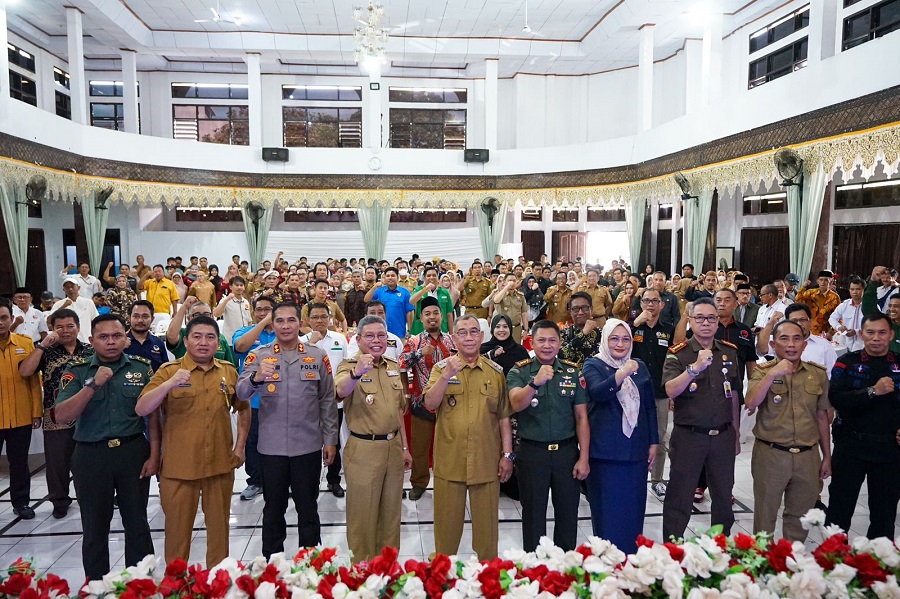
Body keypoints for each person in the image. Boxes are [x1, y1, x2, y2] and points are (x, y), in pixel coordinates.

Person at [136, 316, 250, 567]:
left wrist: (240, 447)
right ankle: (176, 587)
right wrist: (168, 385)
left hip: (219, 465)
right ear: (185, 341)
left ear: (217, 343)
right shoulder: (169, 371)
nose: (203, 342)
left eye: (210, 337)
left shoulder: (228, 372)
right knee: (177, 534)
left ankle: (218, 584)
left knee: (220, 533)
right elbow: (143, 408)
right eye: (197, 337)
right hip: (179, 467)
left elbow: (243, 408)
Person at [53, 314, 159, 580]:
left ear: (126, 338)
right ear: (91, 340)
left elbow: (155, 416)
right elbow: (62, 416)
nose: (111, 342)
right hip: (91, 455)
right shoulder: (76, 370)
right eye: (103, 337)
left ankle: (140, 584)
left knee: (137, 524)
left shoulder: (142, 367)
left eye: (116, 336)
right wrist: (93, 384)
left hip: (132, 452)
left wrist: (155, 454)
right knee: (94, 528)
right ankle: (96, 586)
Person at [236, 303, 338, 558]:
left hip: (308, 445)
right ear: (272, 324)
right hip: (271, 448)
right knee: (273, 509)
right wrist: (256, 378)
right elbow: (241, 393)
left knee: (308, 508)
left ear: (299, 323)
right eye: (279, 321)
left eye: (291, 320)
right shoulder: (258, 355)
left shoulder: (316, 356)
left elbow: (327, 399)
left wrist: (330, 439)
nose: (285, 326)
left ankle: (312, 561)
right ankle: (272, 561)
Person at [424, 314, 513, 561]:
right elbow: (430, 403)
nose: (469, 337)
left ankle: (487, 580)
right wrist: (445, 376)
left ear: (482, 337)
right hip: (450, 462)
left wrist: (507, 455)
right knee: (446, 533)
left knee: (487, 535)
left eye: (474, 332)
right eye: (462, 333)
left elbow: (504, 416)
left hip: (486, 462)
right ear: (454, 338)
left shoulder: (495, 373)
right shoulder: (441, 369)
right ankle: (442, 578)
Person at [661, 298, 741, 540]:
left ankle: (721, 546)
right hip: (689, 436)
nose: (706, 323)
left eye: (711, 318)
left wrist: (735, 434)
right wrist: (694, 368)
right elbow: (670, 390)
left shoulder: (729, 351)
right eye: (700, 318)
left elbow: (734, 395)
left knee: (723, 497)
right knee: (680, 495)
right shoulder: (679, 352)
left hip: (723, 436)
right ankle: (672, 549)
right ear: (691, 321)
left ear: (718, 322)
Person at [334, 315, 412, 563]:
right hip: (363, 449)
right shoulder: (348, 366)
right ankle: (361, 569)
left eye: (381, 336)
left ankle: (387, 567)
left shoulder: (391, 366)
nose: (376, 341)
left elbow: (398, 411)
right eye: (370, 336)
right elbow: (339, 391)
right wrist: (357, 373)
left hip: (393, 448)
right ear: (358, 340)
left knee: (391, 515)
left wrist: (405, 447)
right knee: (363, 516)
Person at [744, 320, 831, 542]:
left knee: (799, 518)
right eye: (784, 339)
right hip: (771, 454)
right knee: (765, 518)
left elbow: (822, 417)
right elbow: (751, 403)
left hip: (807, 456)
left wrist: (827, 456)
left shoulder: (817, 374)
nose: (791, 344)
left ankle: (791, 566)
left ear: (804, 344)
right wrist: (773, 373)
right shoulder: (763, 371)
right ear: (773, 344)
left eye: (797, 338)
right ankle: (762, 568)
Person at [507, 320, 589, 551]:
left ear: (560, 343)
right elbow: (515, 403)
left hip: (567, 453)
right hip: (532, 454)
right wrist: (535, 382)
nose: (547, 345)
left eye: (552, 340)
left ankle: (565, 568)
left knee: (567, 514)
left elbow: (582, 417)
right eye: (541, 340)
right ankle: (534, 569)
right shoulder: (520, 371)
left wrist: (584, 458)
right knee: (533, 515)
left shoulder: (573, 372)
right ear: (532, 342)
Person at [582, 319, 659, 554]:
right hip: (605, 453)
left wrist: (654, 441)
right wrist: (621, 373)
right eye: (614, 338)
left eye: (625, 339)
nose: (620, 344)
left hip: (635, 452)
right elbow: (598, 393)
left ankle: (631, 563)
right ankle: (606, 562)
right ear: (605, 340)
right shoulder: (592, 364)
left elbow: (649, 407)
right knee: (607, 513)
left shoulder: (640, 366)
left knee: (632, 511)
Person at [826, 312, 900, 539]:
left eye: (881, 333)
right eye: (870, 332)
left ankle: (876, 568)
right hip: (850, 445)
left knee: (884, 514)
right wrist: (872, 391)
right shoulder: (847, 362)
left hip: (889, 449)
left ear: (891, 335)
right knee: (839, 510)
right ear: (861, 334)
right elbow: (836, 399)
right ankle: (832, 565)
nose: (876, 338)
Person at [17, 309, 94, 519]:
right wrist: (41, 346)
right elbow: (25, 371)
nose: (65, 331)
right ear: (52, 328)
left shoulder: (90, 351)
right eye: (59, 327)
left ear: (78, 327)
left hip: (88, 416)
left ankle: (90, 499)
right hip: (55, 417)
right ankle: (59, 501)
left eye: (70, 326)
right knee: (57, 464)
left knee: (89, 461)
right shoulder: (46, 351)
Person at [400, 297, 456, 502]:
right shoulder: (414, 341)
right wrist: (418, 354)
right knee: (420, 447)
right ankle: (419, 483)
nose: (432, 317)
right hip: (420, 403)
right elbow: (401, 363)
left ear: (441, 316)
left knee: (448, 446)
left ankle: (448, 481)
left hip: (450, 404)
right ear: (421, 318)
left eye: (435, 313)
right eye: (427, 314)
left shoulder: (452, 340)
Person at [629, 288, 676, 499]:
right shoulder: (632, 328)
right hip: (633, 392)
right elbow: (616, 346)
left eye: (654, 301)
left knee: (659, 436)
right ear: (641, 304)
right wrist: (635, 324)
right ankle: (634, 476)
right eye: (646, 300)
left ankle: (657, 480)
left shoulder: (669, 330)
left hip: (660, 391)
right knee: (632, 434)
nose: (650, 304)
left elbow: (676, 363)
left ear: (662, 304)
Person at [0, 302, 45, 521]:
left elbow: (34, 381)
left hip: (21, 415)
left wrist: (36, 410)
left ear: (11, 318)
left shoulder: (25, 343)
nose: (0, 323)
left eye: (3, 317)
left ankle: (21, 503)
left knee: (19, 462)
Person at [232, 295, 277, 501]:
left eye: (268, 309)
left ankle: (278, 481)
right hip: (252, 400)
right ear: (253, 311)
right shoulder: (244, 332)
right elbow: (241, 347)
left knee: (277, 441)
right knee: (253, 442)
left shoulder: (283, 332)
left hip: (279, 399)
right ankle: (255, 482)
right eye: (259, 309)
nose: (263, 312)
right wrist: (263, 323)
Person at [166, 296, 237, 365]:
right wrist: (184, 307)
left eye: (206, 314)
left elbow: (230, 367)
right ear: (188, 318)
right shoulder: (183, 334)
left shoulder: (220, 338)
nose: (202, 318)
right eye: (197, 315)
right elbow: (171, 336)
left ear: (212, 316)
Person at [364, 268, 414, 338]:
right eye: (388, 276)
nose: (390, 278)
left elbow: (409, 312)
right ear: (384, 278)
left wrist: (409, 330)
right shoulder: (379, 291)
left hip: (399, 332)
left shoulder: (405, 292)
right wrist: (374, 287)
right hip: (381, 332)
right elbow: (366, 300)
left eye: (393, 275)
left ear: (398, 277)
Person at [50, 278, 99, 343]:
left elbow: (96, 320)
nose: (70, 289)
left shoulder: (88, 302)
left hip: (85, 340)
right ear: (63, 290)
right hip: (64, 341)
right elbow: (50, 320)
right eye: (67, 287)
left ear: (78, 287)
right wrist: (63, 307)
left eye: (72, 286)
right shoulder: (58, 304)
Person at [409, 267, 455, 335]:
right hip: (421, 330)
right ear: (424, 278)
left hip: (441, 329)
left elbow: (449, 314)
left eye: (434, 275)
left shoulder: (444, 292)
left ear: (437, 277)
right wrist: (425, 289)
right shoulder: (419, 289)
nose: (431, 277)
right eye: (428, 276)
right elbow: (411, 301)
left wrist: (451, 333)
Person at [559, 292, 600, 367]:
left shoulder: (602, 334)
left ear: (591, 309)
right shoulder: (564, 334)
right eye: (576, 309)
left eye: (584, 308)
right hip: (571, 376)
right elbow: (562, 355)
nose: (580, 312)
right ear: (570, 311)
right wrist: (583, 333)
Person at [795, 270, 841, 336]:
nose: (823, 282)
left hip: (825, 333)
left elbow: (839, 317)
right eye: (821, 280)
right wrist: (803, 287)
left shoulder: (834, 297)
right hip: (810, 331)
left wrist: (831, 333)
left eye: (826, 280)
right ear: (817, 281)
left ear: (831, 281)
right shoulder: (810, 293)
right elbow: (798, 300)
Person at [125, 301, 167, 371]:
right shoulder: (120, 342)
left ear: (152, 319)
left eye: (145, 316)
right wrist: (119, 349)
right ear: (129, 318)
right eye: (136, 316)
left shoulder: (158, 343)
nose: (140, 320)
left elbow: (166, 371)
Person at [829, 276, 866, 353]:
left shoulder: (870, 306)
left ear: (863, 290)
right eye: (852, 289)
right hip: (845, 345)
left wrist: (856, 332)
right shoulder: (844, 305)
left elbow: (875, 327)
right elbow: (832, 318)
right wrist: (839, 327)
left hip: (863, 346)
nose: (855, 292)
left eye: (858, 289)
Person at [489, 274, 529, 342]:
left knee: (515, 350)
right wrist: (506, 287)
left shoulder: (520, 296)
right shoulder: (500, 293)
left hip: (516, 328)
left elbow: (524, 313)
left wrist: (526, 330)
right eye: (510, 280)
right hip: (502, 329)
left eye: (514, 280)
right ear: (505, 282)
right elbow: (496, 300)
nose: (512, 283)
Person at [214, 276, 252, 344]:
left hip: (245, 340)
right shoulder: (225, 300)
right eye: (237, 285)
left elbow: (249, 321)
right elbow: (216, 314)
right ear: (231, 287)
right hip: (230, 340)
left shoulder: (246, 302)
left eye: (241, 285)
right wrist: (227, 300)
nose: (239, 287)